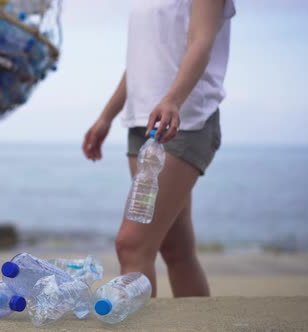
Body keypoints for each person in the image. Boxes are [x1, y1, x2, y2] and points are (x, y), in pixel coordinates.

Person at [82, 0, 236, 297]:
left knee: (132, 245)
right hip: (141, 124)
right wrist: (106, 117)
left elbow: (201, 43)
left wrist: (173, 100)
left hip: (184, 122)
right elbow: (140, 64)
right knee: (176, 249)